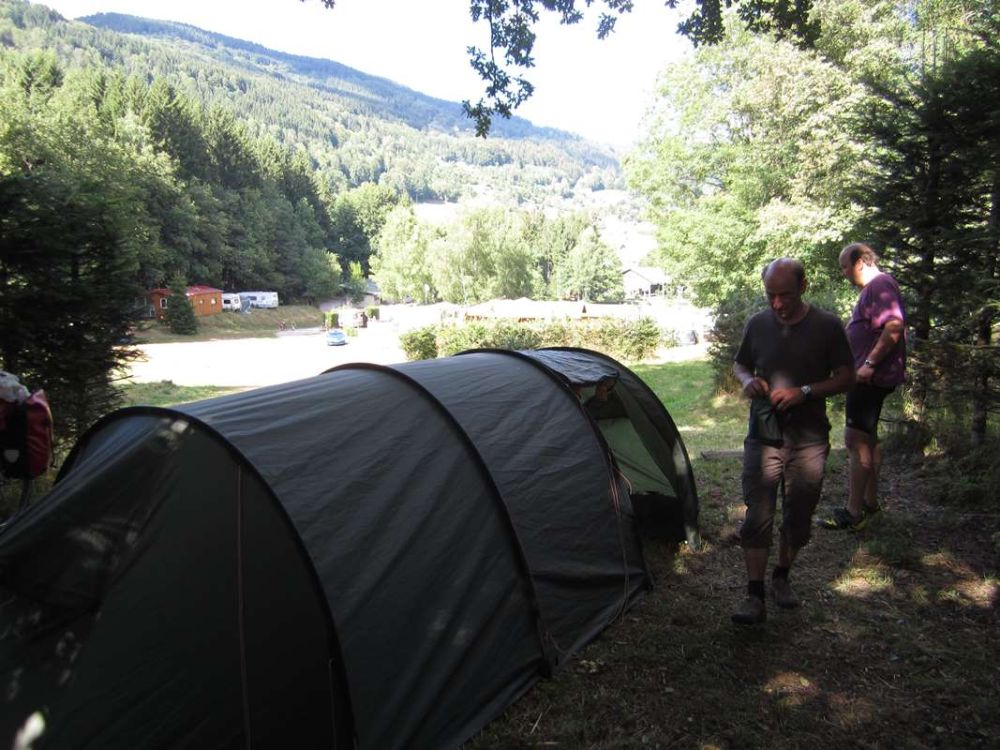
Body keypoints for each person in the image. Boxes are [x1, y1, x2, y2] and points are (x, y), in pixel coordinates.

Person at [731, 258, 855, 625]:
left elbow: (847, 377)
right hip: (764, 435)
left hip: (809, 439)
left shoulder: (827, 326)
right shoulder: (757, 324)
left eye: (784, 295)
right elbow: (740, 364)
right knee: (758, 514)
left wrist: (804, 392)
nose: (777, 304)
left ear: (803, 286)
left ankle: (782, 577)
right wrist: (747, 381)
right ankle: (754, 594)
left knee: (799, 514)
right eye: (770, 295)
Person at [820, 243, 906, 531]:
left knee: (855, 441)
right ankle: (870, 503)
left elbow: (894, 326)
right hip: (870, 378)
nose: (844, 272)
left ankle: (852, 512)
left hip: (869, 379)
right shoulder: (876, 288)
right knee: (868, 438)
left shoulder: (880, 284)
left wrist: (868, 363)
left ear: (860, 263)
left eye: (845, 266)